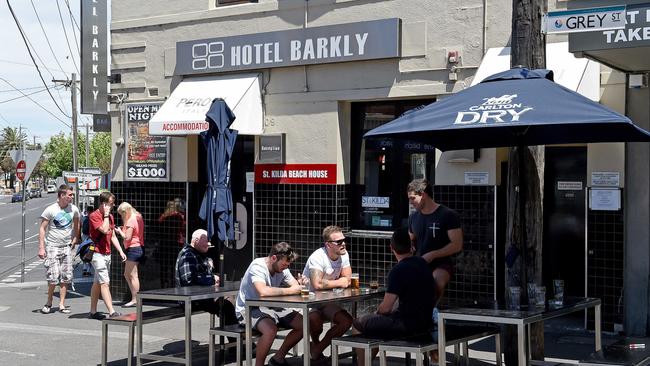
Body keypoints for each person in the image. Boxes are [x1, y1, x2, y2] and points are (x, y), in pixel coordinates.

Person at [352, 227, 437, 366]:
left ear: (391, 248)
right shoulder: (423, 264)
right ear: (412, 247)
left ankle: (361, 364)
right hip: (425, 322)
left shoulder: (398, 270)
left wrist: (376, 313)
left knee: (359, 323)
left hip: (406, 325)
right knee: (375, 325)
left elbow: (385, 308)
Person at [235, 242, 304, 366]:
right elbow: (263, 291)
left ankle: (278, 358)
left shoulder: (283, 268)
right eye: (283, 264)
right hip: (249, 308)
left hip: (271, 306)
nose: (285, 267)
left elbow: (296, 286)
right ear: (273, 258)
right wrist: (291, 290)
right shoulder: (258, 266)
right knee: (270, 330)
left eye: (288, 264)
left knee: (304, 324)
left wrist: (299, 284)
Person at [301, 225, 353, 361]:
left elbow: (348, 279)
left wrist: (340, 281)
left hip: (327, 301)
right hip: (310, 302)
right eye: (339, 242)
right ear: (328, 245)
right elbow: (317, 284)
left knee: (346, 321)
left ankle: (317, 349)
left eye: (344, 240)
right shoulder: (318, 257)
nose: (343, 244)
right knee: (316, 321)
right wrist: (340, 282)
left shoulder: (344, 254)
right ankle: (316, 349)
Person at [407, 178, 463, 298]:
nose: (411, 202)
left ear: (423, 195)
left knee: (435, 283)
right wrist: (409, 247)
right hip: (419, 262)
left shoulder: (448, 215)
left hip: (442, 263)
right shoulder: (413, 217)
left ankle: (431, 312)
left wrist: (433, 255)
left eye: (412, 198)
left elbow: (457, 245)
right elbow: (410, 240)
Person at [174, 229, 237, 326]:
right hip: (191, 299)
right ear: (196, 240)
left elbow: (202, 274)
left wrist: (209, 265)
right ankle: (235, 337)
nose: (209, 243)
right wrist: (212, 279)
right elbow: (189, 279)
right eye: (206, 241)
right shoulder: (188, 255)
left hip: (201, 296)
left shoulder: (198, 254)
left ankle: (235, 336)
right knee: (227, 304)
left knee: (229, 300)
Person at [38, 184, 80, 314]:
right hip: (52, 247)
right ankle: (49, 302)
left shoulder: (74, 209)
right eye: (70, 195)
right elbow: (42, 228)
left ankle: (62, 304)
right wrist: (41, 247)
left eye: (72, 195)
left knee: (66, 277)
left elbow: (77, 223)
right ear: (62, 195)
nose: (72, 197)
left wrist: (75, 238)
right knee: (53, 276)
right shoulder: (51, 210)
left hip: (66, 247)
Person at [88, 191, 126, 320]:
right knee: (105, 283)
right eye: (110, 204)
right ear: (104, 204)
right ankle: (112, 311)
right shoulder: (95, 216)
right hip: (97, 254)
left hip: (107, 253)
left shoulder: (110, 217)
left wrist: (120, 251)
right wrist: (105, 215)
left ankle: (93, 311)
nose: (113, 206)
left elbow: (112, 235)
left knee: (97, 283)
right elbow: (104, 230)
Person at [115, 202, 145, 307]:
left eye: (121, 214)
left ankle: (135, 299)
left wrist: (119, 231)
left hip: (133, 248)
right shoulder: (138, 217)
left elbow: (127, 237)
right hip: (137, 248)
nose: (121, 216)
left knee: (132, 275)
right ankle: (135, 297)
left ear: (125, 211)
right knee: (128, 274)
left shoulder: (131, 220)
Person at [80, 205, 94, 277]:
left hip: (84, 240)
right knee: (90, 253)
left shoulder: (83, 218)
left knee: (83, 253)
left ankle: (84, 268)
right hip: (91, 241)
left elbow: (80, 228)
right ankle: (88, 270)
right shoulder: (93, 218)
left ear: (87, 211)